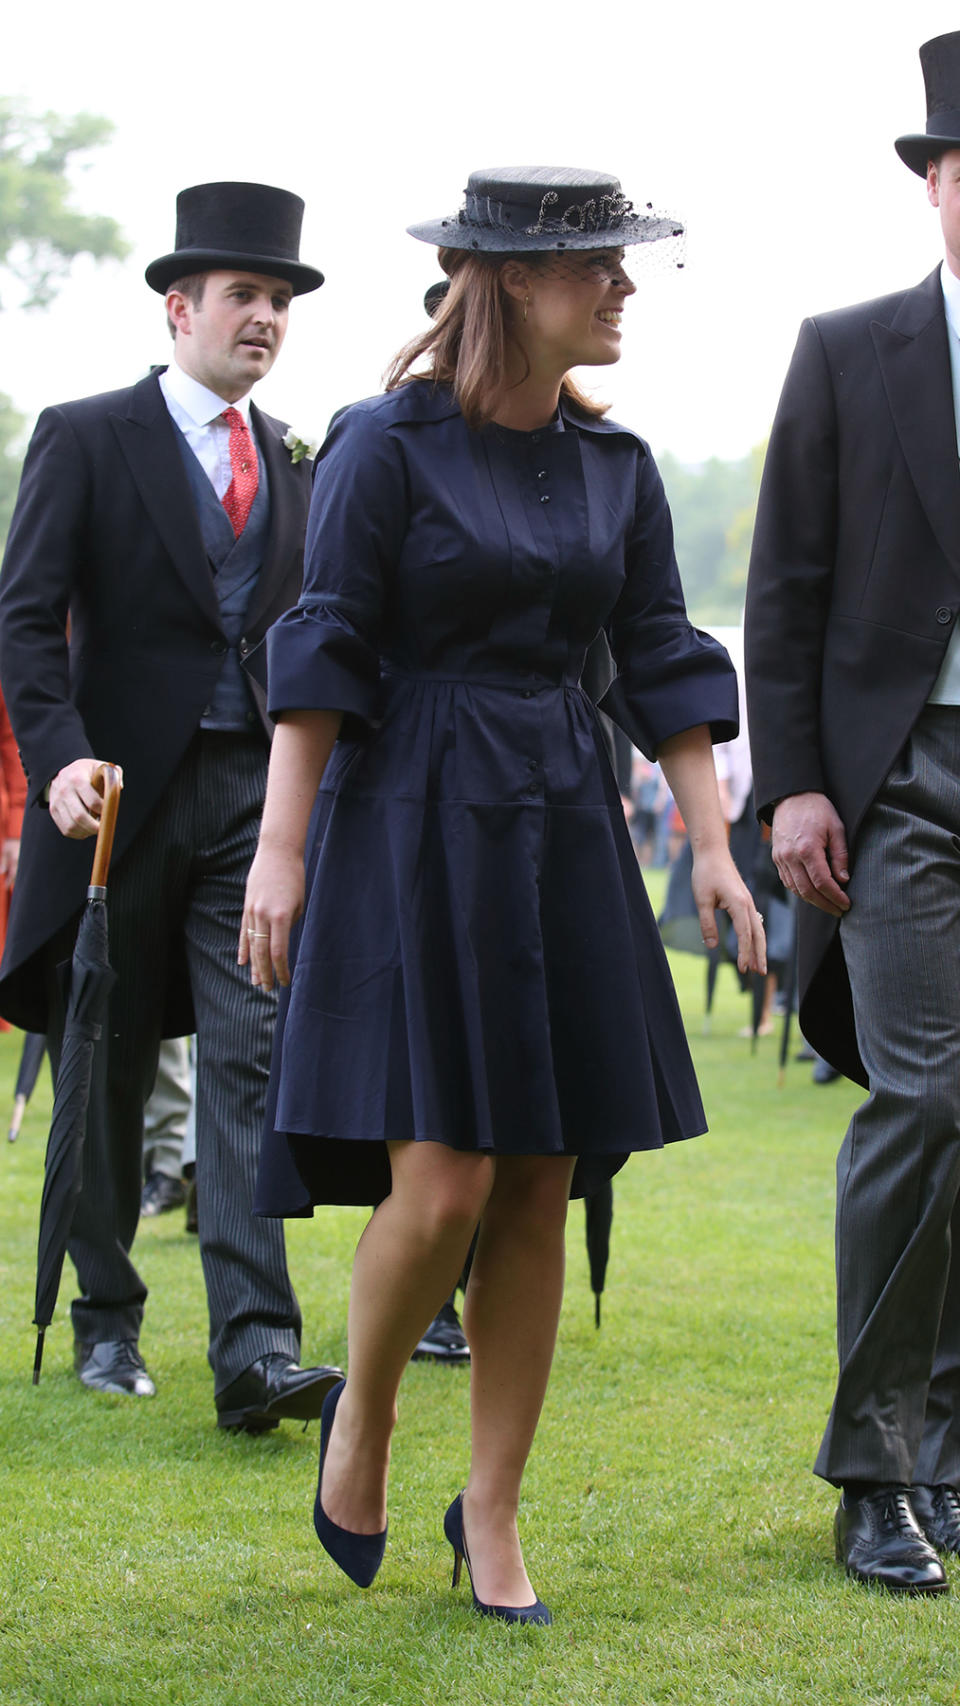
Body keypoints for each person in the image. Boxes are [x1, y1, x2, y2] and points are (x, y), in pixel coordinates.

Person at [242, 165, 764, 1619]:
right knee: (448, 1175)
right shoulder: (380, 445)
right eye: (598, 265)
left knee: (543, 1172)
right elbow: (326, 641)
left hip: (562, 818)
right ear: (509, 283)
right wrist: (281, 848)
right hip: (409, 812)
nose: (622, 290)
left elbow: (663, 659)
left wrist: (715, 844)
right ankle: (367, 1413)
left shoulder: (620, 467)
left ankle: (496, 1509)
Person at [0, 181, 342, 1430]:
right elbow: (26, 618)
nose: (266, 318)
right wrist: (58, 756)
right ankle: (104, 1318)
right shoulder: (84, 434)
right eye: (245, 296)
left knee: (253, 1055)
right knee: (106, 1057)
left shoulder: (300, 459)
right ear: (178, 306)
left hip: (254, 801)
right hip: (115, 803)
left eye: (283, 300)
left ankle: (255, 1347)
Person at [745, 31, 960, 1594]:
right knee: (928, 1101)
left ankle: (945, 1446)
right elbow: (786, 585)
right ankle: (875, 1467)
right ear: (936, 186)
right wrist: (794, 778)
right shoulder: (848, 347)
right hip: (901, 785)